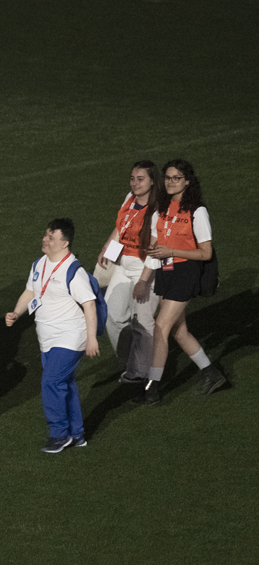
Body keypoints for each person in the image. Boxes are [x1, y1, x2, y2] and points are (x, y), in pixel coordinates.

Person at [5, 219, 99, 453]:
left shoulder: (73, 272)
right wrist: (17, 312)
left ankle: (59, 434)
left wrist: (92, 338)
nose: (45, 240)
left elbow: (89, 305)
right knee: (64, 383)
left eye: (51, 237)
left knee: (51, 381)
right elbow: (31, 290)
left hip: (70, 337)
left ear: (65, 243)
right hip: (46, 338)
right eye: (46, 235)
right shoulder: (39, 264)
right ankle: (77, 434)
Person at [138, 159, 226, 404]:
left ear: (188, 181)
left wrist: (172, 252)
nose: (170, 182)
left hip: (186, 272)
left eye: (176, 178)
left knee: (160, 326)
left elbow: (205, 253)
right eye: (167, 177)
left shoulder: (197, 211)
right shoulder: (161, 209)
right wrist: (152, 258)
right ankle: (211, 373)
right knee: (179, 331)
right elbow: (158, 243)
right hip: (167, 272)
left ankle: (152, 388)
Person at [96, 162, 160, 384]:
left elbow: (155, 246)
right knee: (112, 315)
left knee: (143, 323)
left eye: (140, 179)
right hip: (123, 265)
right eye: (132, 178)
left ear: (152, 181)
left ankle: (140, 373)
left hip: (145, 269)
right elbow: (121, 228)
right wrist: (108, 248)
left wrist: (144, 280)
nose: (135, 183)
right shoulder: (129, 199)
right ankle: (129, 361)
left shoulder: (158, 210)